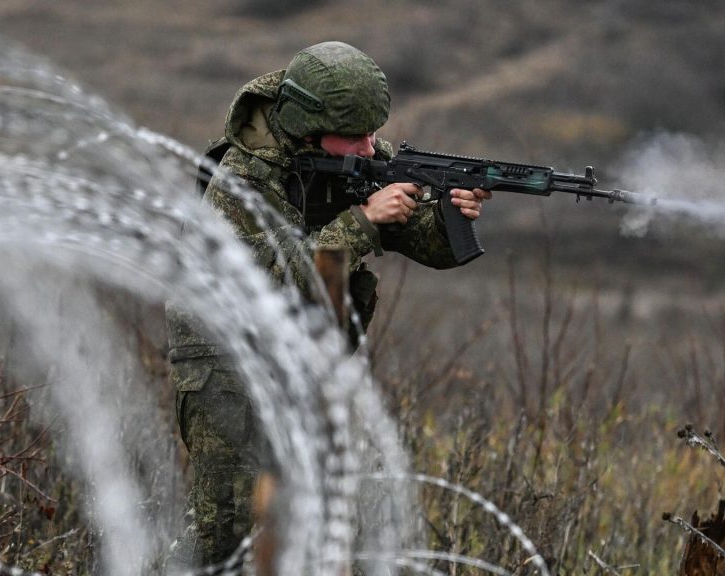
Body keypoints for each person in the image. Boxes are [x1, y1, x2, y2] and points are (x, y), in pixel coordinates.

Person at [165, 41, 491, 568]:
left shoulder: (359, 158)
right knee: (231, 531)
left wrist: (451, 214)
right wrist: (362, 222)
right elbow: (261, 283)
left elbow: (425, 244)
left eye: (373, 132)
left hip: (306, 359)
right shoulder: (238, 181)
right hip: (224, 365)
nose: (369, 146)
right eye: (355, 136)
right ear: (308, 128)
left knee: (319, 524)